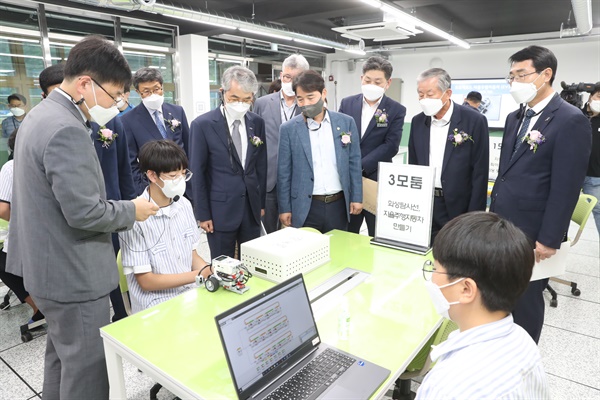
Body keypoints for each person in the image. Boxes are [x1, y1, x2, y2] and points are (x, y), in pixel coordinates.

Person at [6, 35, 158, 400]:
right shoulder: (67, 129)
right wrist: (132, 210)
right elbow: (84, 211)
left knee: (61, 358)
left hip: (45, 268)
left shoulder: (40, 115)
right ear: (86, 83)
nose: (118, 105)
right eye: (116, 94)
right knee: (89, 372)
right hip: (72, 274)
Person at [490, 45, 591, 343]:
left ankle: (524, 357)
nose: (515, 82)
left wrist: (549, 238)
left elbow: (566, 186)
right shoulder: (515, 117)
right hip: (503, 225)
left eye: (522, 74)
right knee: (502, 292)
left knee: (527, 297)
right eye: (511, 76)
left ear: (546, 75)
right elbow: (507, 173)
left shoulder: (570, 120)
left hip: (534, 231)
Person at [416, 211, 550, 399]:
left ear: (466, 289)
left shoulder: (446, 386)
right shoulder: (523, 339)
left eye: (436, 269)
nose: (431, 277)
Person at [119, 140, 211, 313]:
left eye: (183, 174)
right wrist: (197, 275)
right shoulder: (135, 217)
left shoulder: (183, 204)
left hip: (189, 294)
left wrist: (210, 270)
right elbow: (147, 282)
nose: (180, 180)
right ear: (153, 176)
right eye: (173, 176)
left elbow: (192, 255)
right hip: (156, 305)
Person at [189, 66, 267, 259]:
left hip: (251, 207)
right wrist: (203, 213)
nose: (240, 104)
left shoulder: (256, 122)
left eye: (246, 99)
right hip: (219, 210)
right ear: (222, 93)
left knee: (252, 261)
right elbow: (197, 173)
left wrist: (261, 203)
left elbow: (261, 166)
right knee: (223, 264)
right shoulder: (203, 125)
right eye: (234, 98)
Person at [408, 68, 489, 243]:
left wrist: (475, 217)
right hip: (426, 203)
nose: (424, 99)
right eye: (420, 94)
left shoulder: (474, 120)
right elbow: (413, 164)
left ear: (448, 93)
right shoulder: (417, 122)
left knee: (456, 254)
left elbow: (480, 172)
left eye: (430, 94)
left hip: (459, 205)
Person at [278, 70, 363, 233]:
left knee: (338, 252)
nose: (305, 103)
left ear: (323, 93)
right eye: (300, 99)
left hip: (338, 203)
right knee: (306, 253)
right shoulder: (288, 129)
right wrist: (285, 208)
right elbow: (284, 172)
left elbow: (354, 162)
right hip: (305, 206)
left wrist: (357, 197)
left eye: (311, 97)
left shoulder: (345, 123)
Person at [338, 56, 406, 236]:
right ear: (361, 79)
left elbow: (391, 145)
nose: (371, 85)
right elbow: (338, 135)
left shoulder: (396, 110)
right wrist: (350, 167)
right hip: (347, 179)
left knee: (377, 231)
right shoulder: (347, 103)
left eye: (378, 82)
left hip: (376, 178)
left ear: (388, 83)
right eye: (368, 80)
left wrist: (359, 165)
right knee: (347, 231)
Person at [253, 54, 309, 234]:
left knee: (296, 232)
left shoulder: (309, 106)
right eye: (287, 77)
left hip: (298, 179)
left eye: (296, 78)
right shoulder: (262, 104)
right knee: (267, 232)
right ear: (280, 75)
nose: (290, 82)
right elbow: (255, 140)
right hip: (269, 180)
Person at [121, 67, 190, 195]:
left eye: (156, 89)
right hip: (155, 187)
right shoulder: (128, 120)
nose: (153, 94)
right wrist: (145, 189)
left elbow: (189, 147)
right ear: (138, 92)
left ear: (162, 87)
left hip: (183, 182)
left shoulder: (177, 111)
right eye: (146, 91)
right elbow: (131, 163)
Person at [0, 128, 44, 323]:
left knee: (4, 264)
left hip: (29, 235)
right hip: (53, 231)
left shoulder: (12, 166)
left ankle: (38, 307)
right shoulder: (46, 161)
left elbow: (2, 209)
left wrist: (21, 224)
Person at [582, 84, 600, 235]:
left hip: (594, 176)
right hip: (570, 174)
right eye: (599, 97)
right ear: (590, 97)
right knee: (561, 209)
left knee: (599, 211)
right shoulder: (575, 115)